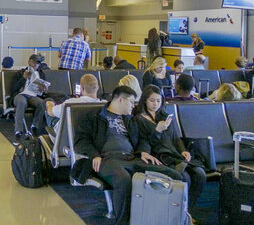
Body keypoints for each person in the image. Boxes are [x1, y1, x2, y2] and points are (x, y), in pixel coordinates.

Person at [72, 85, 181, 225]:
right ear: (121, 100)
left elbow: (142, 139)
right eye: (131, 102)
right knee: (123, 180)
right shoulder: (94, 117)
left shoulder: (130, 120)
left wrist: (143, 152)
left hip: (132, 158)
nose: (133, 106)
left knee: (174, 175)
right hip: (108, 159)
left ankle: (167, 219)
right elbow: (81, 141)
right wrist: (94, 155)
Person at [134, 85, 207, 212]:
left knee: (200, 174)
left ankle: (187, 210)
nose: (155, 104)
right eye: (152, 100)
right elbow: (144, 143)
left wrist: (183, 150)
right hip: (159, 156)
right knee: (185, 178)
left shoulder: (165, 116)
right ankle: (177, 212)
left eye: (158, 101)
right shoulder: (138, 119)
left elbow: (176, 138)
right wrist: (157, 131)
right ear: (144, 100)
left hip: (174, 154)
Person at [10, 54, 49, 144]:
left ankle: (35, 127)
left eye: (37, 64)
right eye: (34, 62)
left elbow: (43, 90)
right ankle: (18, 132)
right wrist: (23, 78)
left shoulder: (41, 74)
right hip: (21, 95)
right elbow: (13, 89)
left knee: (41, 103)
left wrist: (44, 90)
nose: (35, 65)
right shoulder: (20, 73)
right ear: (29, 62)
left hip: (33, 96)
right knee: (21, 103)